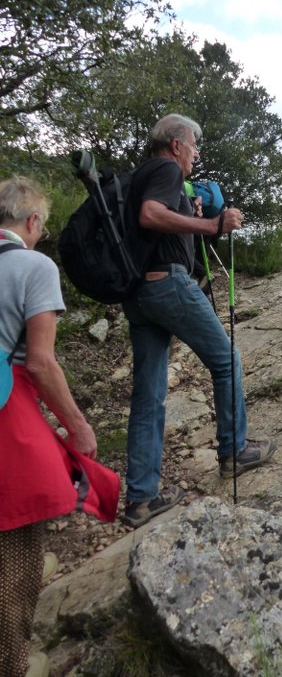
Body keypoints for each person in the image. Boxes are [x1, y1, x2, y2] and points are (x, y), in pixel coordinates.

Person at [121, 113, 277, 528]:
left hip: (138, 295)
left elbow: (156, 220)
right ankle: (234, 451)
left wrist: (194, 221)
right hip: (167, 285)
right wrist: (212, 222)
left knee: (149, 393)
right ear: (176, 144)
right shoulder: (165, 169)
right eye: (193, 144)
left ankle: (141, 499)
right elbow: (151, 215)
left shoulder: (141, 176)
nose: (196, 152)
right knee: (226, 360)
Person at [0, 177, 119, 677]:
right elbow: (43, 363)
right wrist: (78, 426)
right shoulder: (33, 265)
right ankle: (12, 662)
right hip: (6, 410)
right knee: (16, 543)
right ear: (31, 222)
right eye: (41, 228)